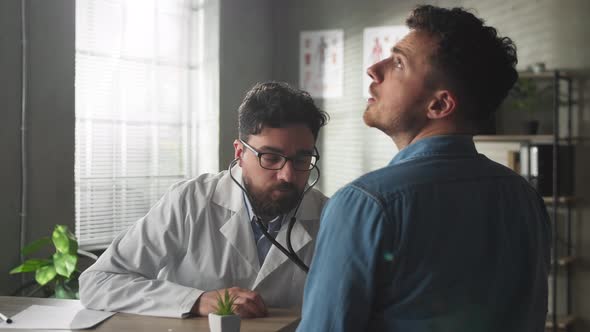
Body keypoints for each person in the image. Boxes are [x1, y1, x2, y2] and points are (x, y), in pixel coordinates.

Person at [298, 5, 550, 332]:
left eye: (399, 63)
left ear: (439, 104)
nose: (374, 69)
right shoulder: (527, 199)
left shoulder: (365, 204)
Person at [80, 82, 329, 318]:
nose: (287, 175)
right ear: (240, 153)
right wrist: (196, 300)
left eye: (301, 160)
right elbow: (98, 281)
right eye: (271, 158)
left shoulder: (330, 216)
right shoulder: (189, 202)